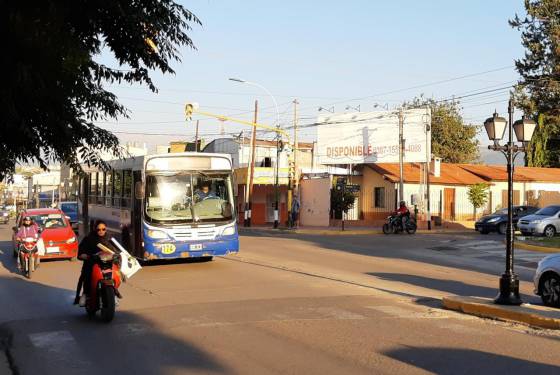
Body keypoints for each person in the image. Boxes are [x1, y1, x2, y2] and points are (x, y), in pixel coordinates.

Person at [74, 220, 115, 305]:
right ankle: (86, 294)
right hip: (92, 263)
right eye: (98, 229)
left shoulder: (110, 238)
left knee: (118, 274)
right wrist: (84, 255)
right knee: (86, 275)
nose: (101, 231)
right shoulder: (88, 239)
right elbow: (81, 252)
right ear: (95, 229)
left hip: (107, 264)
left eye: (103, 229)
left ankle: (115, 292)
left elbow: (117, 249)